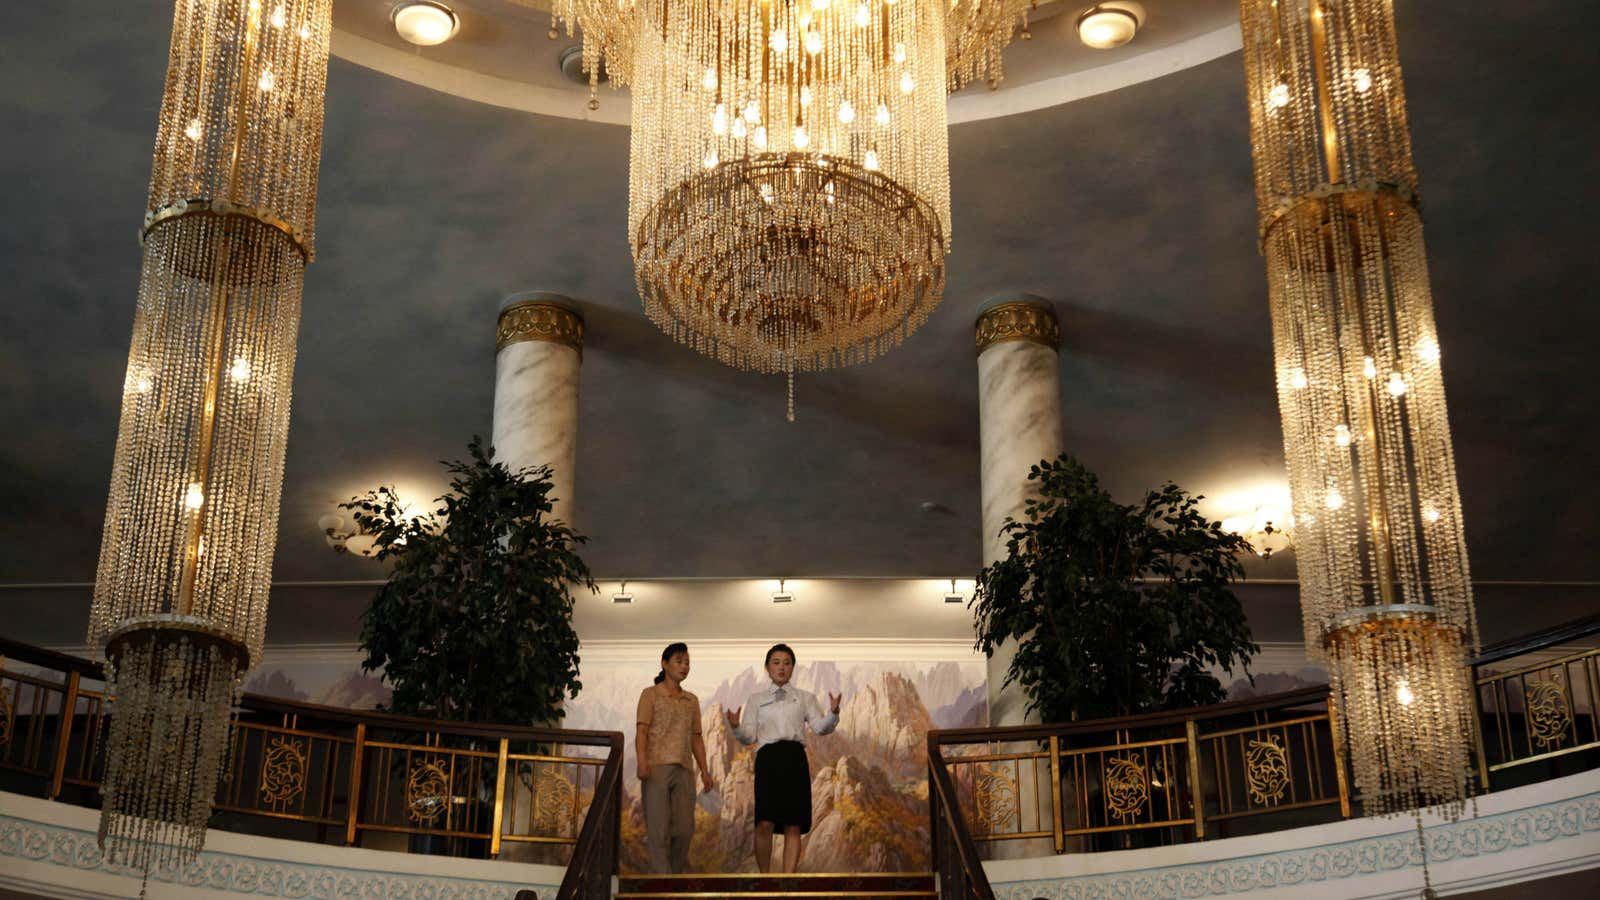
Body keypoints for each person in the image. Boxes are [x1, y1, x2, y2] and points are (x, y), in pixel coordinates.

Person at [726, 643, 841, 873]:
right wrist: (736, 726)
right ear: (767, 668)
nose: (781, 667)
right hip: (768, 760)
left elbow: (820, 728)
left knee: (793, 823)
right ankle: (765, 879)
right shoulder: (756, 699)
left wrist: (833, 714)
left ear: (792, 668)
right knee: (764, 822)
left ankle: (788, 880)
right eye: (776, 663)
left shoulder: (805, 698)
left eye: (787, 663)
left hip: (795, 759)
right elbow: (749, 737)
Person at [636, 642, 716, 874]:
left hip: (684, 769)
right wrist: (642, 761)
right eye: (679, 661)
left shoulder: (691, 701)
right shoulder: (650, 694)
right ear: (665, 664)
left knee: (684, 829)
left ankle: (674, 876)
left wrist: (705, 770)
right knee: (658, 830)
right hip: (655, 768)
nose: (684, 666)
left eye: (687, 662)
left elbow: (697, 738)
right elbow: (641, 731)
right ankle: (664, 883)